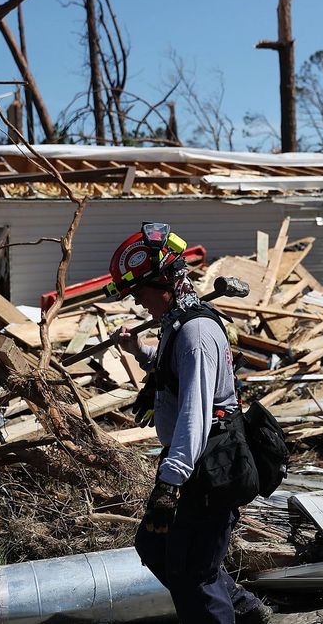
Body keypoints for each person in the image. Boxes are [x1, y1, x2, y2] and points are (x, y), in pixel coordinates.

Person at [106, 223, 272, 624]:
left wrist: (170, 482)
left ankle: (227, 612)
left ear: (162, 283)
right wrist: (138, 351)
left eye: (139, 292)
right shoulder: (179, 320)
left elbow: (195, 414)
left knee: (194, 575)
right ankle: (246, 610)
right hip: (192, 459)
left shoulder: (196, 332)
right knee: (154, 546)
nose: (138, 302)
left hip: (210, 462)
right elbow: (174, 371)